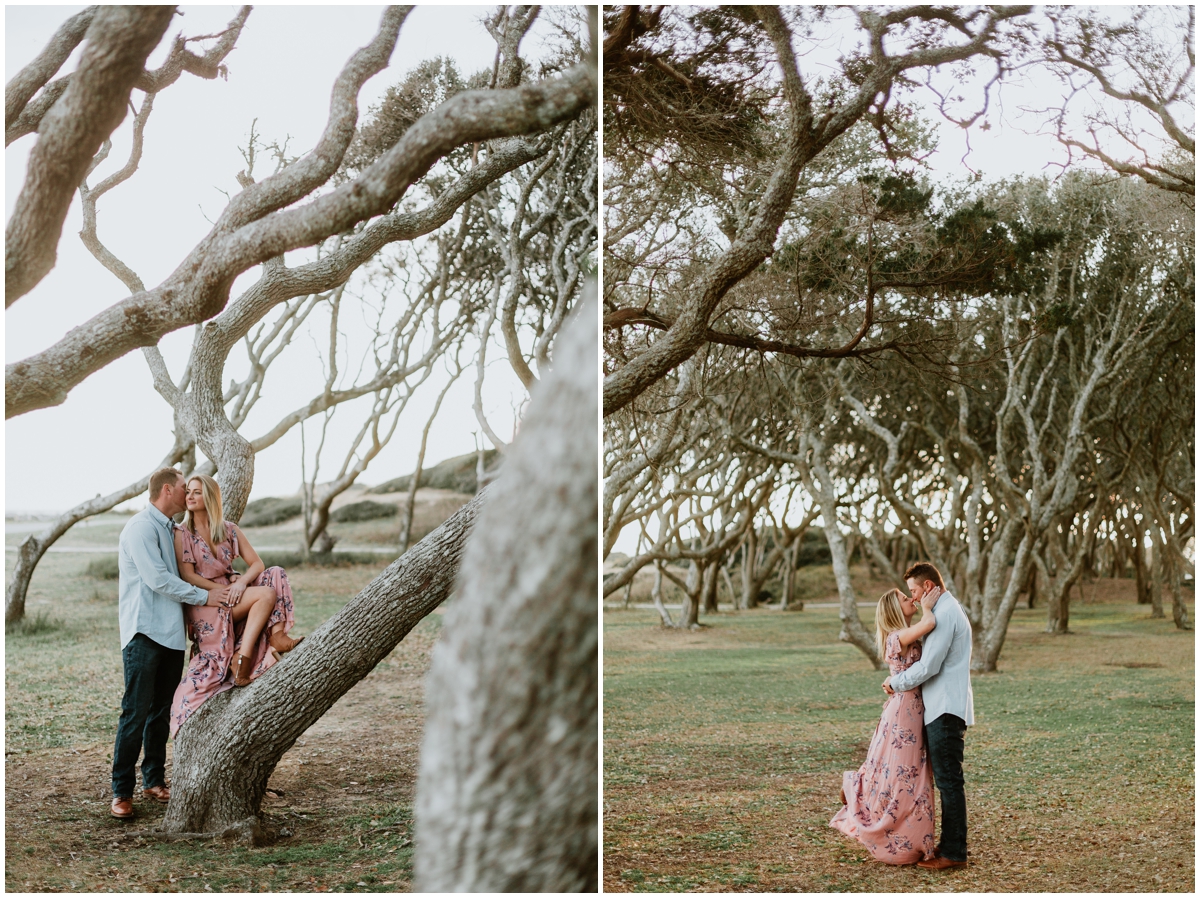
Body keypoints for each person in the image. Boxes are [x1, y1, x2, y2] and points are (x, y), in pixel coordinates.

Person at [111, 468, 232, 821]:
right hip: (143, 633)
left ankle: (153, 780)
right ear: (167, 490)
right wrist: (207, 596)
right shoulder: (141, 528)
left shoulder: (174, 531)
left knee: (160, 711)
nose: (187, 495)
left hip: (171, 635)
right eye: (183, 489)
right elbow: (158, 579)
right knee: (135, 712)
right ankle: (121, 791)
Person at [169, 474, 303, 736]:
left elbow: (257, 564)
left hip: (232, 592)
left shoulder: (229, 529)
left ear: (210, 497)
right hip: (206, 600)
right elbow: (188, 576)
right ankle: (243, 657)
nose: (191, 497)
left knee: (275, 573)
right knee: (264, 595)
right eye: (189, 492)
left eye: (197, 492)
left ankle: (277, 635)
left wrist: (240, 584)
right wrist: (223, 589)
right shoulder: (182, 533)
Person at [830, 586, 939, 864]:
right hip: (904, 712)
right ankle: (859, 793)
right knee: (903, 773)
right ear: (894, 609)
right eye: (906, 598)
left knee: (907, 772)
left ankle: (863, 792)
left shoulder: (904, 633)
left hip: (910, 709)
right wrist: (928, 605)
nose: (911, 598)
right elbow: (929, 624)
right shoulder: (897, 637)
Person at [883, 562, 975, 871]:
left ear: (926, 588)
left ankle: (954, 853)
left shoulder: (945, 614)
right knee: (948, 780)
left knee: (949, 781)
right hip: (941, 706)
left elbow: (929, 666)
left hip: (945, 709)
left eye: (912, 591)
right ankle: (949, 845)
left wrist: (894, 683)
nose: (911, 596)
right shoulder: (946, 610)